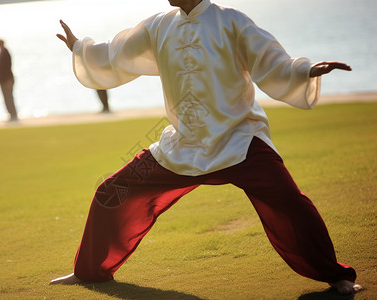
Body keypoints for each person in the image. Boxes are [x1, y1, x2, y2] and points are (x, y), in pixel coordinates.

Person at [52, 0, 362, 294]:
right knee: (110, 193)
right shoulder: (159, 25)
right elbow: (115, 54)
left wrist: (304, 71)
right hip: (182, 145)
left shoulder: (231, 20)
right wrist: (81, 48)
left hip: (239, 139)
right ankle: (88, 272)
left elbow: (270, 60)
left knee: (290, 202)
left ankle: (336, 276)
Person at [0, 39, 18, 122]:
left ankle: (13, 115)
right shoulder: (1, 53)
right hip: (2, 80)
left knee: (9, 97)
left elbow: (8, 66)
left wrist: (9, 80)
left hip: (7, 79)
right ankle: (11, 114)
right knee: (6, 98)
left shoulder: (5, 53)